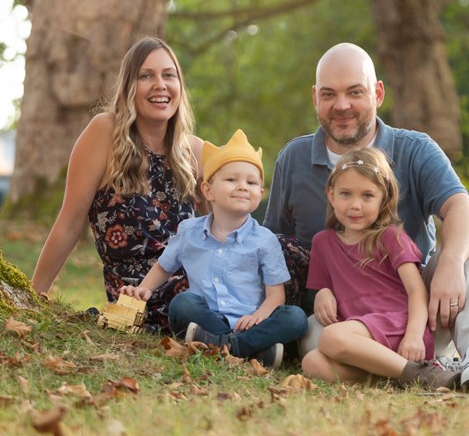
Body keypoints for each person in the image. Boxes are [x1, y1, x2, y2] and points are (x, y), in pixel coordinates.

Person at [264, 42, 469, 391]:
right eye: (329, 94)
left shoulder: (415, 148)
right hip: (342, 320)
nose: (342, 105)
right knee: (315, 347)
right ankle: (424, 373)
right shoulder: (294, 158)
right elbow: (273, 245)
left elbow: (462, 209)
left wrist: (451, 261)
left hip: (417, 314)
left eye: (355, 92)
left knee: (467, 257)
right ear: (315, 97)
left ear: (378, 93)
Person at [31, 37, 204, 333]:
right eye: (146, 76)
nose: (160, 85)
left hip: (200, 294)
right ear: (128, 87)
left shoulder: (196, 151)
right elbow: (70, 223)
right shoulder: (104, 133)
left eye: (168, 75)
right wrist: (32, 296)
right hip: (136, 303)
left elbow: (219, 234)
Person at [121, 130, 307, 368]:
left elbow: (275, 296)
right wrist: (144, 290)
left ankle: (223, 347)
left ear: (260, 194)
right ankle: (252, 351)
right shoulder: (189, 232)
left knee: (296, 317)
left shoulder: (265, 240)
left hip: (249, 323)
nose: (242, 187)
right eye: (231, 180)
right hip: (206, 319)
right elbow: (163, 267)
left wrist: (258, 317)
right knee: (182, 304)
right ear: (208, 190)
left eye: (251, 182)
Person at [302, 147, 460, 389]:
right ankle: (412, 377)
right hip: (363, 341)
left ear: (383, 199)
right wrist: (322, 292)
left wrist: (414, 335)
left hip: (400, 328)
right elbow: (321, 285)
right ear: (331, 195)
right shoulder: (322, 242)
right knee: (312, 363)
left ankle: (420, 373)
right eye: (345, 194)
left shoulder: (390, 237)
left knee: (331, 337)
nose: (355, 205)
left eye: (367, 196)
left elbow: (417, 292)